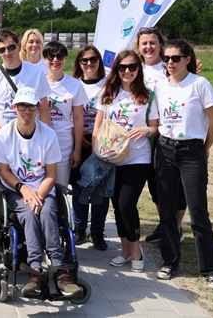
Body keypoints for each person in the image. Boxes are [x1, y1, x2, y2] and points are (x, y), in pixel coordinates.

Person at [0, 87, 82, 298]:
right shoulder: (4, 135)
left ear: (38, 108)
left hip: (42, 188)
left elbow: (51, 175)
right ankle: (35, 269)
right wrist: (24, 190)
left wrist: (38, 195)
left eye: (31, 106)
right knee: (30, 214)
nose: (26, 111)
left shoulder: (48, 134)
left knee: (49, 212)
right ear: (14, 108)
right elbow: (3, 171)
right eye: (22, 106)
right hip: (15, 189)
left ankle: (60, 271)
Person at [153, 39, 213, 290]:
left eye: (175, 58)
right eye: (166, 58)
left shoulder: (199, 84)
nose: (170, 62)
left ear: (187, 59)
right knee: (167, 211)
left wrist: (205, 148)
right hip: (165, 150)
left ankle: (211, 269)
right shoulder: (159, 86)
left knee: (198, 211)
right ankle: (169, 261)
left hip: (192, 151)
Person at [93, 50, 159, 273]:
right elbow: (98, 126)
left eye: (132, 67)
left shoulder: (148, 95)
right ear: (116, 70)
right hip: (112, 159)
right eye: (122, 67)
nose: (127, 71)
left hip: (138, 158)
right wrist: (96, 150)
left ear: (139, 69)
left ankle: (136, 250)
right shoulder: (108, 93)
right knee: (116, 206)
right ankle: (124, 250)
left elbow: (157, 127)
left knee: (126, 204)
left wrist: (147, 130)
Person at [0, 28, 51, 188]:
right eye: (2, 49)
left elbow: (44, 108)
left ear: (19, 46)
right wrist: (0, 131)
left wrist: (44, 134)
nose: (7, 52)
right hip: (1, 141)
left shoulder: (36, 73)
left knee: (31, 181)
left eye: (11, 47)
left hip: (29, 139)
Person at [135, 27, 187, 244]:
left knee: (174, 184)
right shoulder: (132, 68)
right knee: (155, 184)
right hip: (141, 135)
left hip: (168, 134)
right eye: (144, 43)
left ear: (160, 44)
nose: (149, 47)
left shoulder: (169, 68)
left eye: (153, 42)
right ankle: (164, 223)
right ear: (138, 46)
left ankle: (175, 227)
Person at [70, 45, 109, 250]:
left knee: (100, 189)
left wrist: (96, 141)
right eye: (84, 60)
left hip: (102, 144)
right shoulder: (74, 85)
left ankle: (98, 232)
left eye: (93, 59)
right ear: (79, 64)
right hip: (79, 141)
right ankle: (79, 229)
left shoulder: (108, 85)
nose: (89, 64)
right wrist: (80, 141)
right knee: (79, 187)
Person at [42, 41, 86, 188]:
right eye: (51, 56)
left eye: (60, 56)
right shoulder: (36, 82)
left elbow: (79, 119)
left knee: (60, 189)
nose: (55, 60)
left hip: (64, 145)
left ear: (66, 59)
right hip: (39, 143)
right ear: (44, 59)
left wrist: (77, 149)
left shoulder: (74, 85)